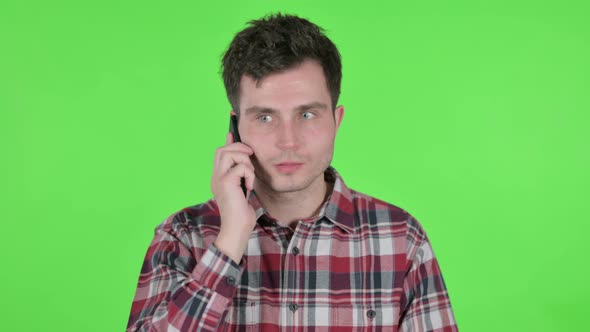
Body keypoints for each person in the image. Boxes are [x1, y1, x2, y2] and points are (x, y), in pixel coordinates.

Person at [126, 13, 458, 332]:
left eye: (307, 115)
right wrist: (228, 243)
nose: (288, 141)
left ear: (335, 121)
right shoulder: (182, 237)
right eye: (265, 118)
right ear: (236, 128)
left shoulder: (401, 239)